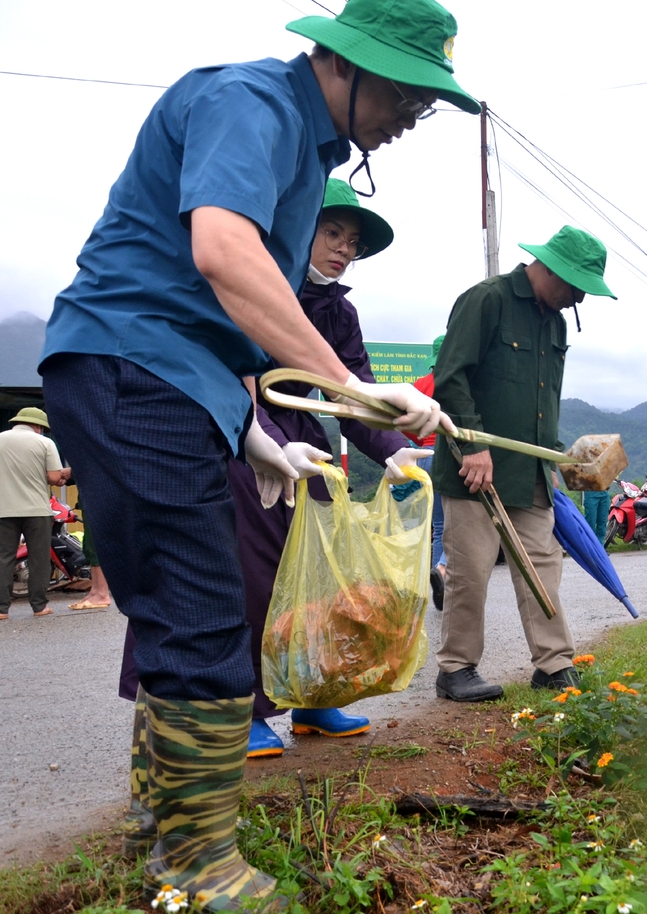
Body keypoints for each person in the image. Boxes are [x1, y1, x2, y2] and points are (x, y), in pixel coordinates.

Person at [39, 0, 474, 906]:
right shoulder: (253, 102)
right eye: (404, 95)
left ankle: (164, 827)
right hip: (131, 370)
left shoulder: (303, 153)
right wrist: (350, 389)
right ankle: (200, 868)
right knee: (206, 619)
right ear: (346, 64)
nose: (408, 118)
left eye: (423, 104)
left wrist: (254, 435)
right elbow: (222, 258)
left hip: (161, 378)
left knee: (173, 614)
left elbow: (218, 324)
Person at [114, 178, 428, 759]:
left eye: (353, 241)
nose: (342, 248)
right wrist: (268, 444)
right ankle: (250, 709)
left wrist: (390, 450)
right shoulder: (257, 286)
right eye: (331, 231)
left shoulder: (339, 312)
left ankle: (311, 694)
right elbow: (233, 371)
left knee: (321, 581)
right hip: (241, 441)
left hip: (309, 455)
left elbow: (349, 394)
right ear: (298, 228)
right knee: (252, 577)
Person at [432, 226, 617, 701]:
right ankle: (455, 669)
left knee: (543, 566)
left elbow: (542, 399)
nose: (578, 298)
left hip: (530, 471)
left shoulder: (555, 323)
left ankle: (553, 664)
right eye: (576, 285)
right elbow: (450, 378)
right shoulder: (486, 300)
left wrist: (554, 456)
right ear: (552, 268)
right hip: (473, 469)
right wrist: (472, 446)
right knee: (471, 572)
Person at [0, 408, 69, 619]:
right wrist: (61, 477)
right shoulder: (45, 443)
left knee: (3, 557)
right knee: (39, 557)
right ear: (38, 426)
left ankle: (1, 609)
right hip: (36, 509)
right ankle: (39, 606)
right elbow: (54, 476)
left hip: (3, 509)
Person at [406, 335, 449, 609]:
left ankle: (439, 580)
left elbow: (405, 423)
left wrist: (421, 440)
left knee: (438, 526)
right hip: (447, 455)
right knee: (455, 523)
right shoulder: (453, 381)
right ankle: (444, 571)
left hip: (424, 458)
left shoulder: (420, 385)